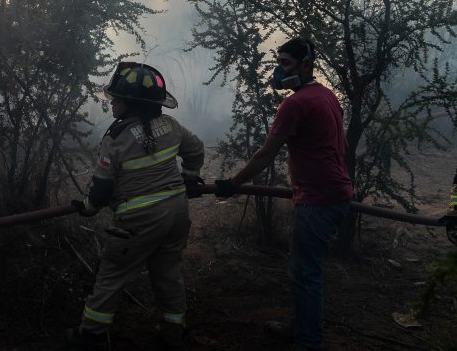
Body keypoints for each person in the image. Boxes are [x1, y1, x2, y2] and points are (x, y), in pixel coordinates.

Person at [214, 38, 352, 351]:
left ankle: (308, 341)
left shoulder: (296, 103)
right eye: (279, 62)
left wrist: (233, 183)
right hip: (332, 193)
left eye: (286, 64)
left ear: (306, 65)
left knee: (305, 274)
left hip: (320, 200)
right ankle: (303, 327)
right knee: (305, 269)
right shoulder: (327, 95)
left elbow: (266, 154)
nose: (279, 70)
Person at [66, 62, 204, 351]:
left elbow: (102, 189)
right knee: (168, 275)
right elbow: (196, 149)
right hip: (176, 213)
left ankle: (90, 336)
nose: (113, 104)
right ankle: (173, 335)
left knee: (111, 276)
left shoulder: (115, 139)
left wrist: (89, 207)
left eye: (116, 99)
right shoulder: (171, 125)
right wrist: (190, 179)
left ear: (131, 103)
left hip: (137, 221)